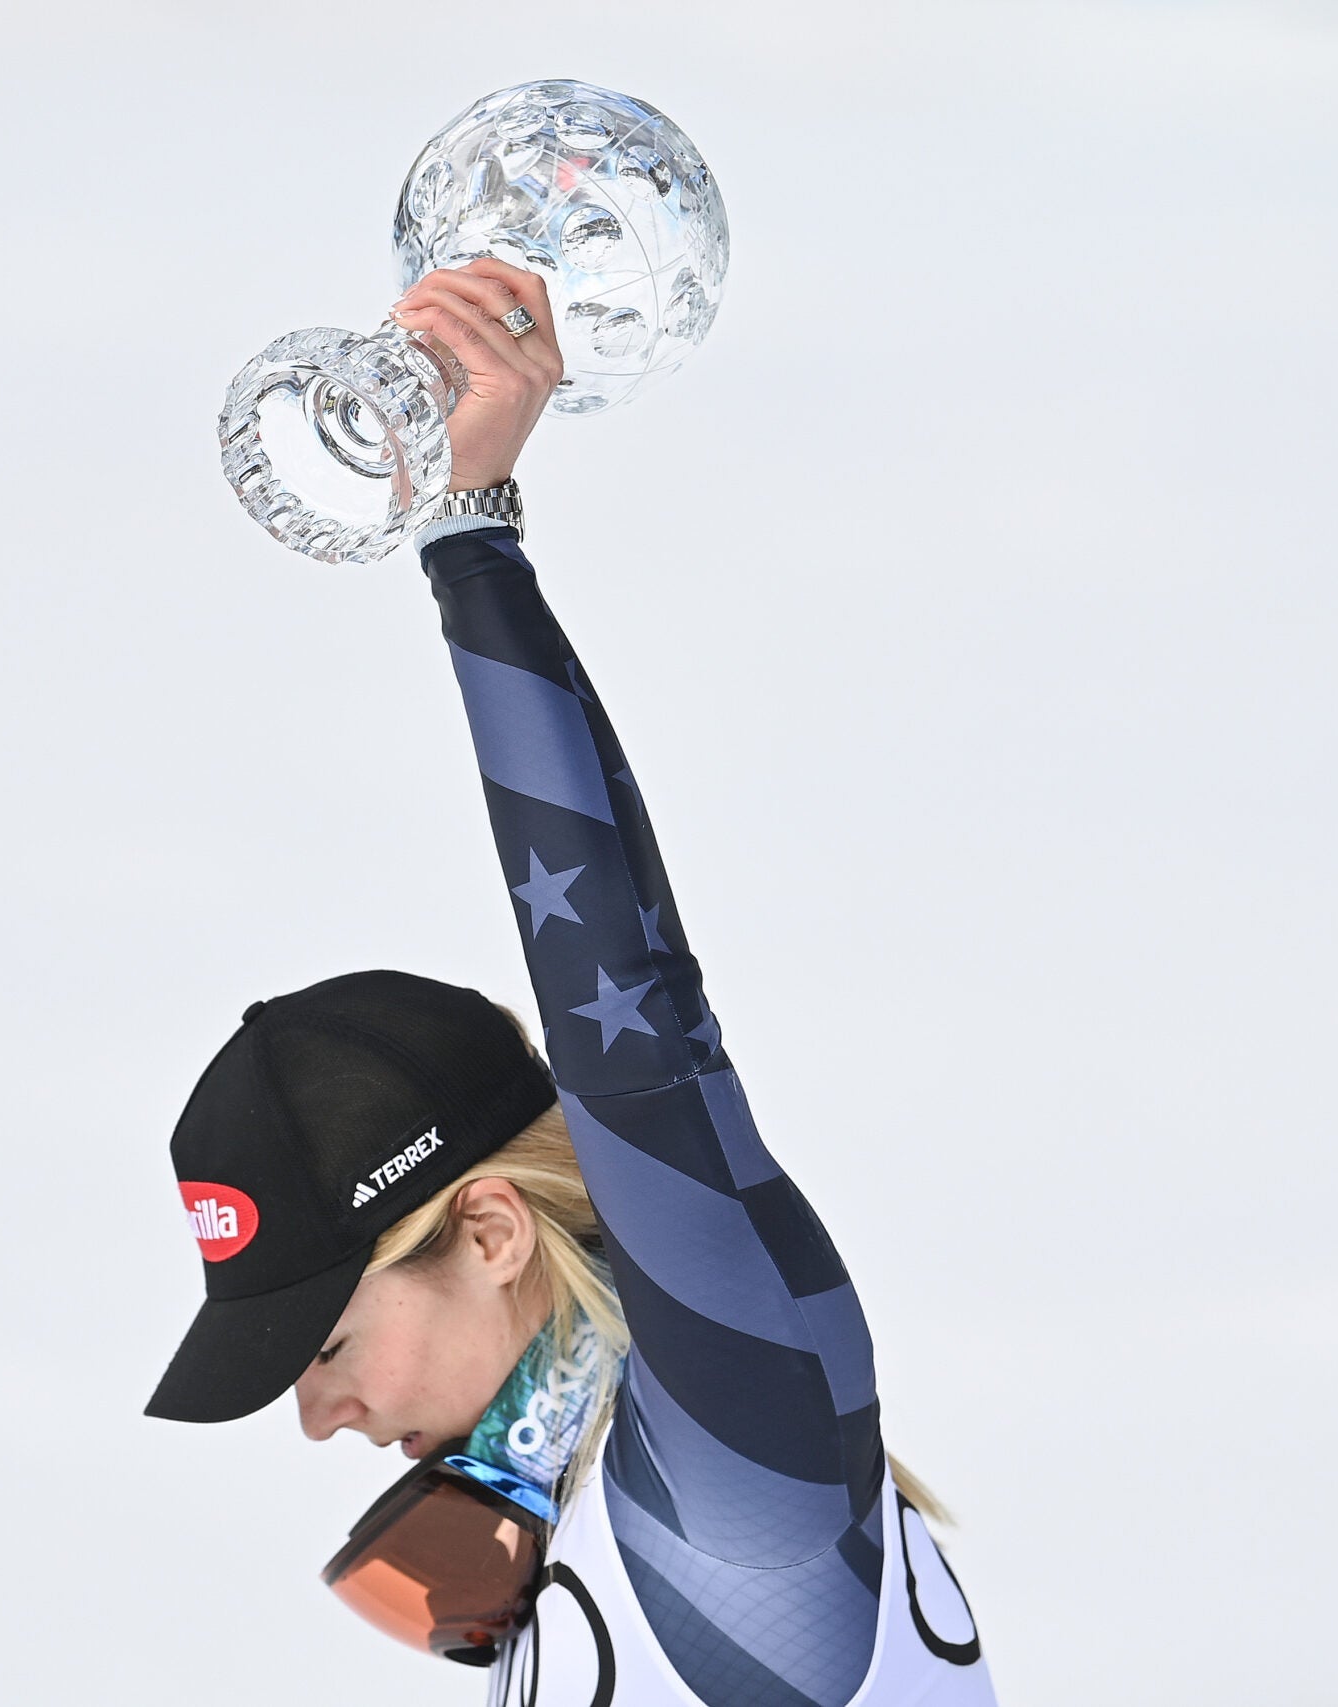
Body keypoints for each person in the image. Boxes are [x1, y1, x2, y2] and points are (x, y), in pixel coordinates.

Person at [148, 259, 997, 1707]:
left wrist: (470, 535)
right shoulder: (579, 1548)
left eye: (328, 1340)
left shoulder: (742, 1502)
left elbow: (640, 1023)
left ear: (488, 1230)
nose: (316, 1416)